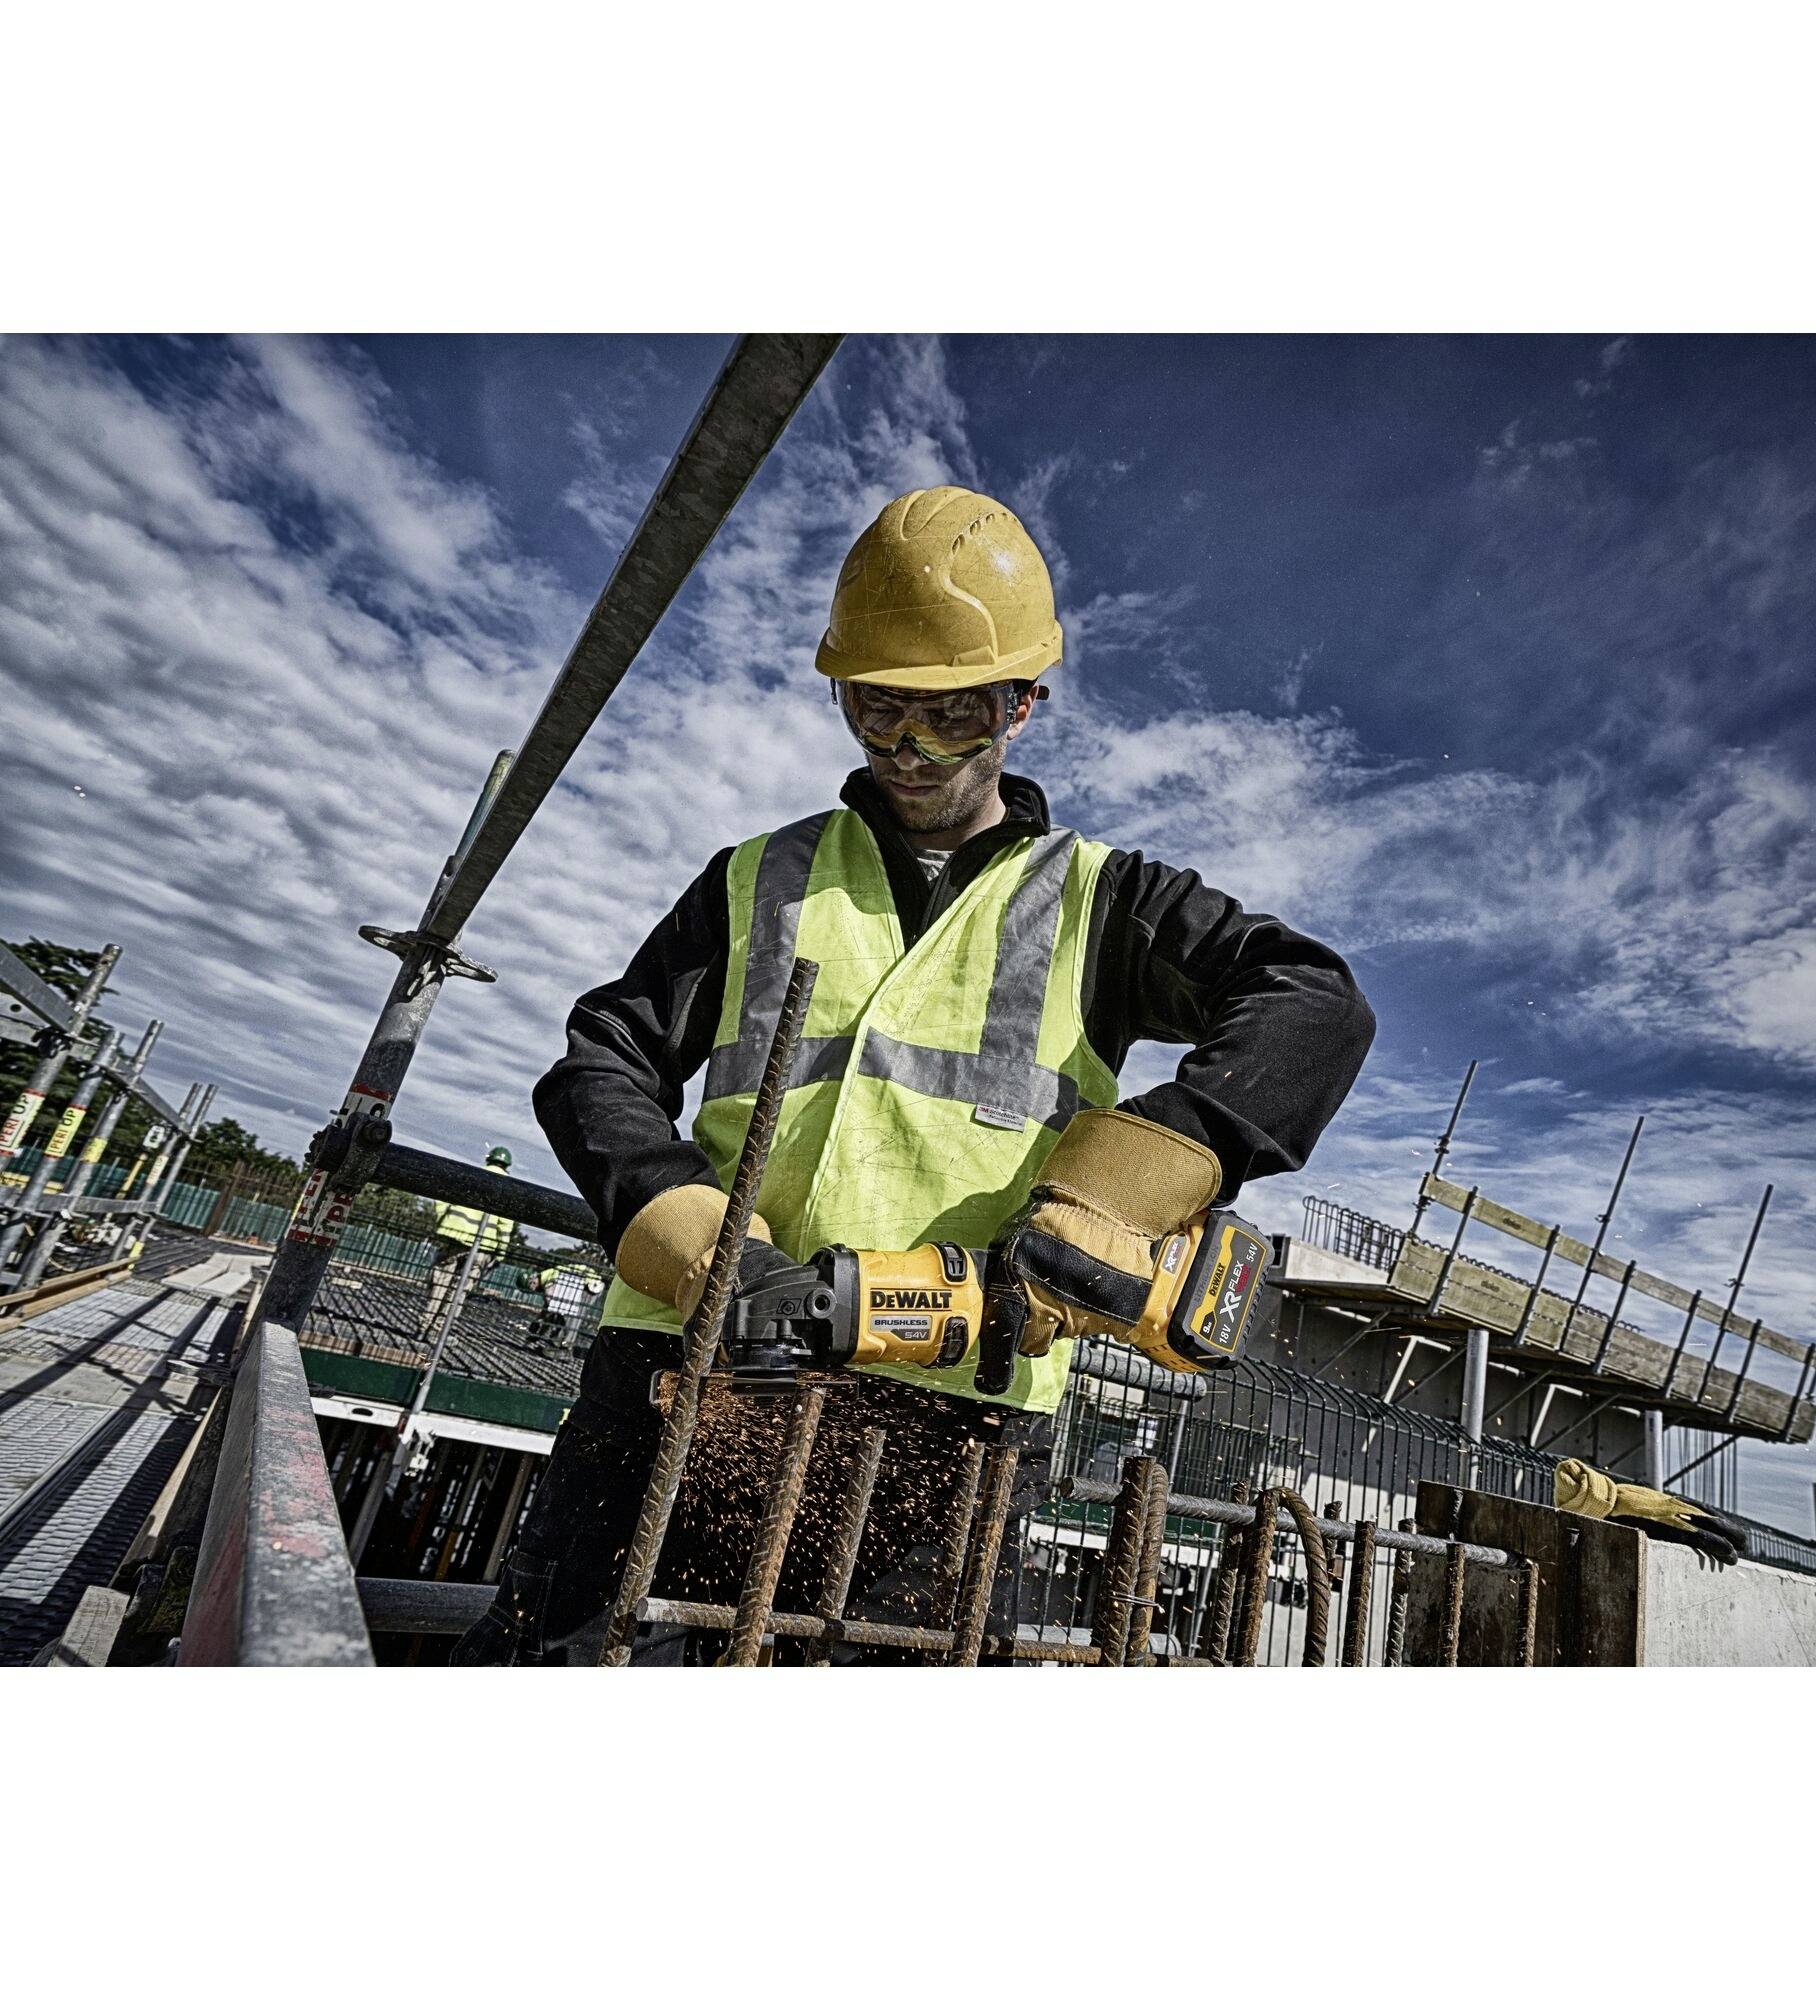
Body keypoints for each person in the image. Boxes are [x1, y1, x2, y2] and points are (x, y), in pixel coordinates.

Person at [454, 486, 1376, 1665]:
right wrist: (706, 1253)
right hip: (683, 1371)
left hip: (953, 1426)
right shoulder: (757, 876)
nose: (907, 750)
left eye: (951, 717)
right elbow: (601, 1062)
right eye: (878, 710)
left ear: (1022, 705)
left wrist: (1118, 1192)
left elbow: (1313, 1002)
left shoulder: (1101, 900)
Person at [424, 1144, 520, 1326]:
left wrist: (443, 1222)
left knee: (440, 1284)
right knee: (460, 1290)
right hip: (483, 1247)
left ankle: (424, 1325)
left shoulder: (471, 1176)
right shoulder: (509, 1189)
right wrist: (500, 1254)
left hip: (454, 1236)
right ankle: (439, 1331)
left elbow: (443, 1197)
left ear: (488, 1159)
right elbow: (505, 1226)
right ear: (507, 1166)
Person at [522, 1256, 606, 1358]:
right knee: (566, 1312)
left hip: (590, 1286)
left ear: (532, 1283)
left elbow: (550, 1310)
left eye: (533, 1289)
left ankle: (565, 1349)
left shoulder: (549, 1283)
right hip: (587, 1282)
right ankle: (559, 1344)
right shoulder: (550, 1274)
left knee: (573, 1314)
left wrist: (537, 1331)